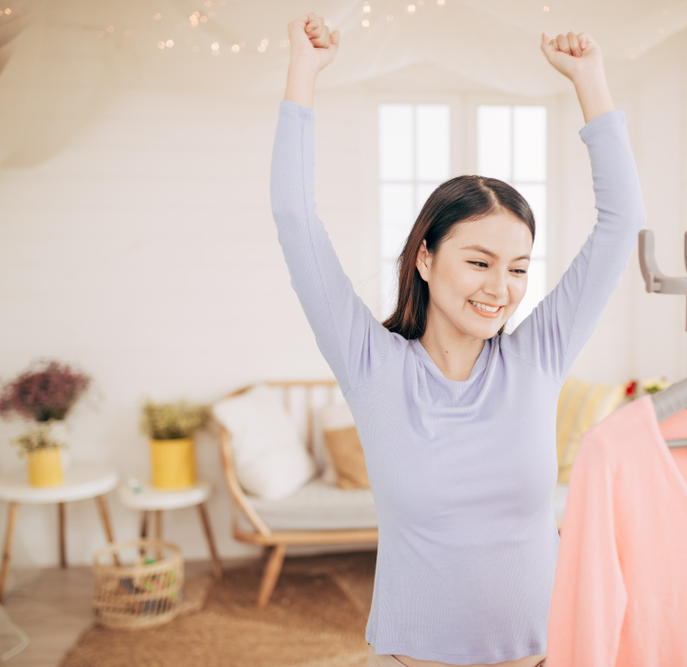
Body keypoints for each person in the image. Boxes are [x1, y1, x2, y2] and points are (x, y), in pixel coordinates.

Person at [271, 13, 646, 667]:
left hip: (547, 652)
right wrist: (303, 70)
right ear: (425, 257)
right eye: (479, 261)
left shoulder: (537, 356)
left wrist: (590, 80)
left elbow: (621, 224)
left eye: (518, 268)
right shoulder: (371, 365)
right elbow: (294, 216)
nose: (500, 288)